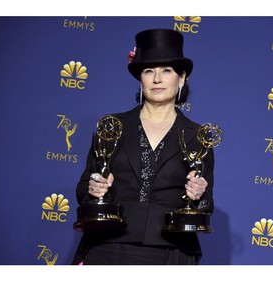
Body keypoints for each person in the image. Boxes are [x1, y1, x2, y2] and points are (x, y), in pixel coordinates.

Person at [72, 28, 215, 265]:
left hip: (171, 251)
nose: (157, 79)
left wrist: (198, 194)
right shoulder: (112, 126)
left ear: (181, 78)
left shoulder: (199, 136)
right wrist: (94, 189)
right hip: (109, 246)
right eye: (149, 71)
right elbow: (83, 189)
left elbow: (206, 203)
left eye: (166, 71)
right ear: (141, 79)